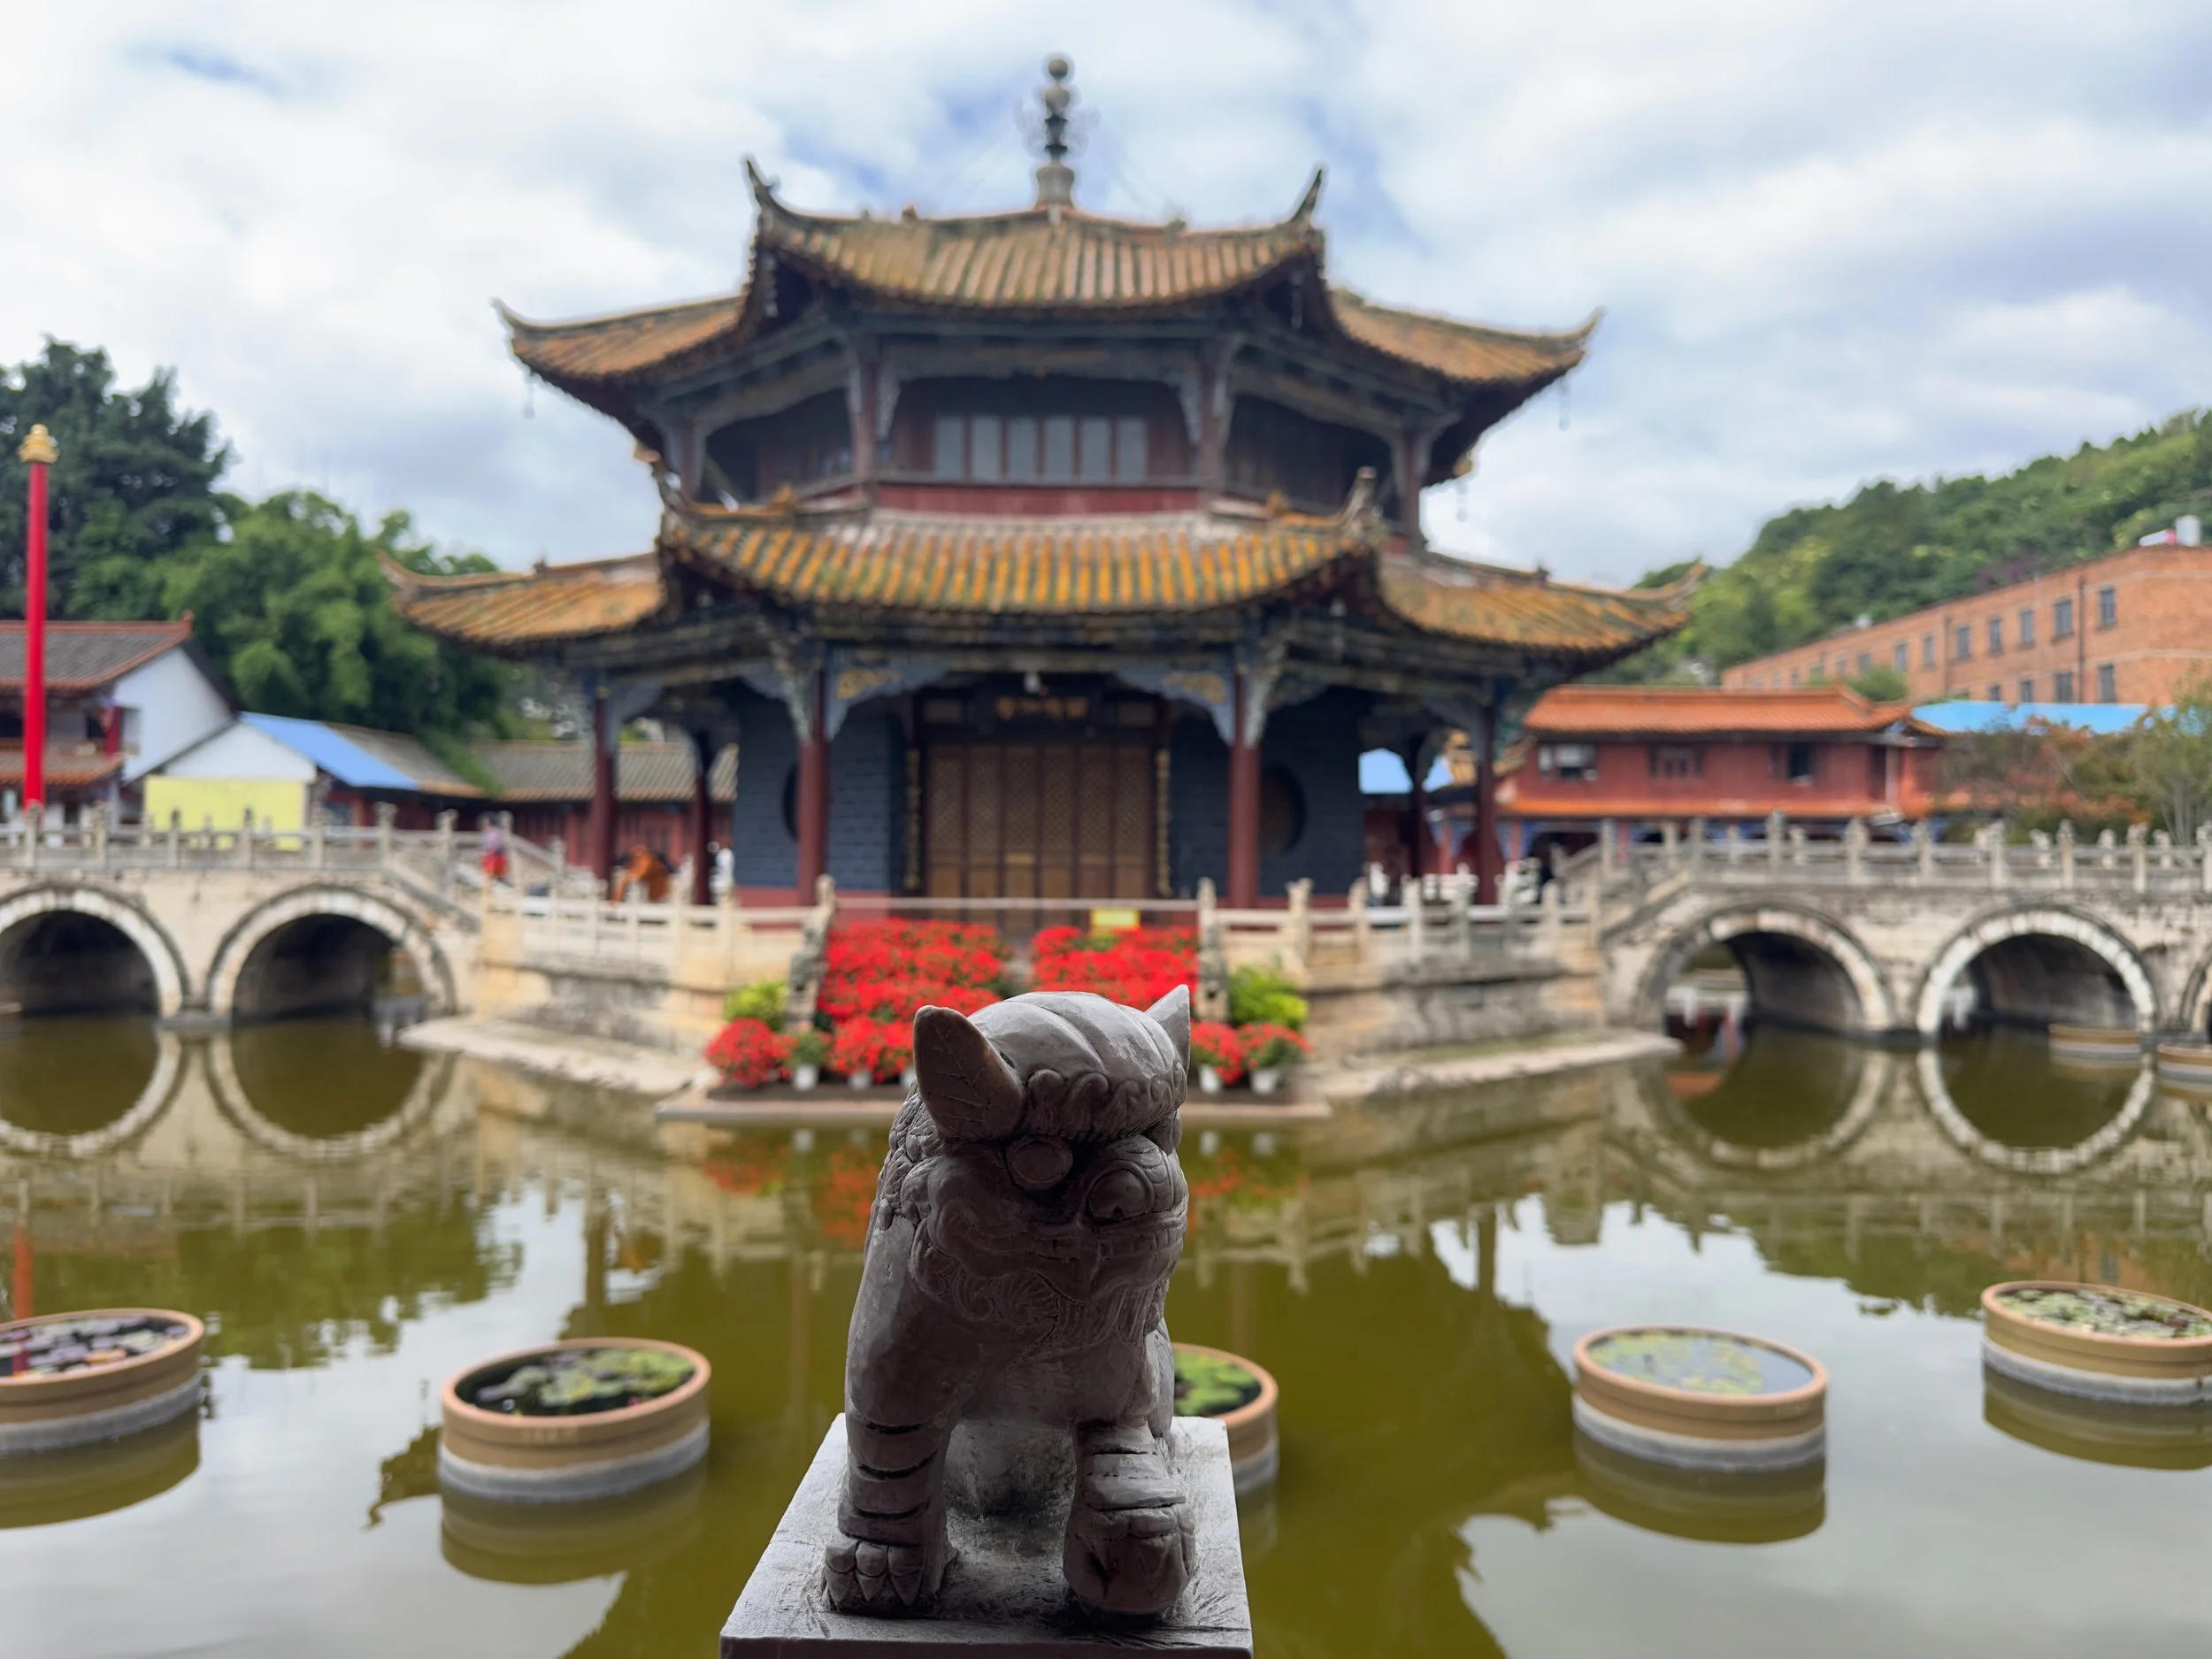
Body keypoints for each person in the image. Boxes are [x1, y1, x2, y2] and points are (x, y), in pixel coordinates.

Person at [480, 821, 509, 885]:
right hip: (490, 854)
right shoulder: (485, 833)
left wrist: (491, 850)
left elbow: (496, 844)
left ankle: (499, 880)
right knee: (489, 871)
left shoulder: (495, 832)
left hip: (495, 854)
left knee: (496, 870)